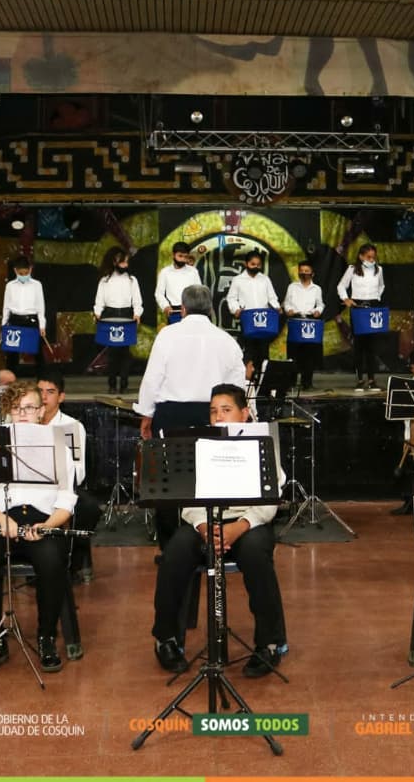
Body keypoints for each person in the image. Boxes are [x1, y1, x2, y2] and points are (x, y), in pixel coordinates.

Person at [151, 384, 287, 677]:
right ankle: (166, 639)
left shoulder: (263, 443)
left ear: (244, 414)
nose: (219, 417)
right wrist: (203, 525)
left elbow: (271, 499)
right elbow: (186, 497)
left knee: (255, 554)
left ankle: (270, 643)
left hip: (249, 523)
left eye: (226, 410)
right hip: (205, 522)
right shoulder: (199, 442)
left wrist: (240, 527)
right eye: (214, 411)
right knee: (174, 553)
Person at [0, 380, 75, 675]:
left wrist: (46, 525)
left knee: (52, 562)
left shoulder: (58, 445)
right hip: (3, 519)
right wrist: (3, 521)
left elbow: (67, 500)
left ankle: (47, 636)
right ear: (8, 413)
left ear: (41, 411)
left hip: (43, 519)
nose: (23, 414)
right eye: (16, 409)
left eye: (29, 408)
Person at [134, 285, 245, 547]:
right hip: (212, 414)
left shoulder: (168, 335)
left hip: (171, 414)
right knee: (208, 480)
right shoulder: (226, 339)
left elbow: (153, 379)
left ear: (182, 309)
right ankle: (208, 542)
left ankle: (172, 547)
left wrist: (146, 414)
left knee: (168, 483)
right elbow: (237, 386)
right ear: (209, 309)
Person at [37, 369, 98, 583]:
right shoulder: (25, 420)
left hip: (62, 487)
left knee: (88, 507)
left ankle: (75, 562)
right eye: (40, 391)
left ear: (61, 397)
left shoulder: (72, 426)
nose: (43, 397)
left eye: (50, 392)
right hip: (33, 488)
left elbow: (79, 472)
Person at [93, 246, 143, 394]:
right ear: (115, 262)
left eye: (127, 262)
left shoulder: (132, 280)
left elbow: (137, 300)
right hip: (109, 315)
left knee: (125, 351)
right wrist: (97, 313)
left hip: (126, 315)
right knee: (112, 352)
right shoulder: (105, 281)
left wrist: (137, 313)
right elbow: (99, 300)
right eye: (122, 263)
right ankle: (112, 383)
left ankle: (124, 382)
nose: (125, 265)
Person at [338, 243, 386, 391]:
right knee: (359, 345)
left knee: (372, 346)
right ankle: (360, 380)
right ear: (361, 256)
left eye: (373, 257)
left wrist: (376, 297)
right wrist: (346, 299)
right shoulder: (353, 269)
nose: (371, 260)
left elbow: (381, 286)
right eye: (368, 257)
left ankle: (371, 379)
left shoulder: (379, 270)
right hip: (358, 307)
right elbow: (341, 285)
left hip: (372, 307)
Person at [227, 250, 281, 380]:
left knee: (263, 351)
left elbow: (272, 297)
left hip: (264, 322)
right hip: (248, 321)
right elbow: (231, 298)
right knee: (249, 351)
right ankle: (247, 380)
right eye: (253, 264)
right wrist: (236, 309)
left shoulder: (265, 279)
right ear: (246, 263)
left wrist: (277, 307)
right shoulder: (238, 280)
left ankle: (263, 381)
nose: (256, 267)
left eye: (258, 264)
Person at [1, 255, 48, 378]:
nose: (23, 275)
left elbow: (41, 307)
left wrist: (42, 325)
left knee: (37, 353)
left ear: (30, 269)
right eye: (21, 273)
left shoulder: (37, 285)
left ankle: (42, 380)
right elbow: (6, 306)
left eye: (26, 272)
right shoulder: (10, 285)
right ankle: (10, 384)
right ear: (15, 271)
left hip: (31, 320)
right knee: (11, 355)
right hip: (15, 320)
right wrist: (3, 325)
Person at [283, 260, 324, 390]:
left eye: (307, 271)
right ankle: (291, 383)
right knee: (293, 353)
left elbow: (320, 304)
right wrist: (288, 309)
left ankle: (307, 382)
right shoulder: (292, 287)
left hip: (310, 321)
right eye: (302, 271)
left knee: (309, 354)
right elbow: (286, 303)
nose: (304, 273)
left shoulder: (316, 289)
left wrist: (318, 311)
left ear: (312, 273)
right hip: (296, 320)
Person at [154, 241, 201, 322]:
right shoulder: (165, 272)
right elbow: (159, 293)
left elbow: (199, 292)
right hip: (173, 311)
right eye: (180, 256)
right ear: (173, 255)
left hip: (191, 311)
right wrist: (165, 306)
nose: (182, 259)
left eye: (185, 257)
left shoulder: (193, 271)